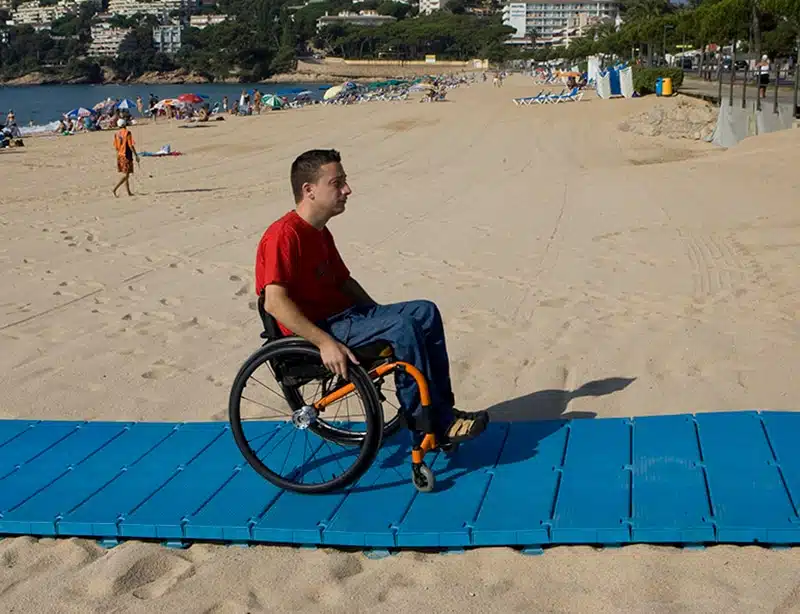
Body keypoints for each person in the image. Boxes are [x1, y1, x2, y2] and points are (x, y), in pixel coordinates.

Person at [254, 149, 489, 444]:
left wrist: (380, 315)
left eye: (345, 181)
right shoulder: (284, 235)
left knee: (424, 312)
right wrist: (325, 343)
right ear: (309, 190)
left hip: (346, 318)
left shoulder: (320, 232)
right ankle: (427, 423)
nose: (347, 190)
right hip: (319, 329)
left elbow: (344, 282)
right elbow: (274, 302)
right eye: (337, 183)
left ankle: (442, 410)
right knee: (402, 327)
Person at [112, 118, 139, 197]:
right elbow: (131, 145)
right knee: (126, 175)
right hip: (126, 155)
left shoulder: (117, 134)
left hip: (120, 155)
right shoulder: (127, 133)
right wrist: (136, 155)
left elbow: (116, 147)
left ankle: (129, 192)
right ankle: (115, 189)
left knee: (126, 174)